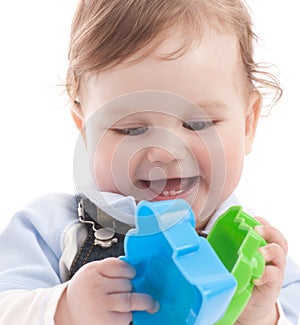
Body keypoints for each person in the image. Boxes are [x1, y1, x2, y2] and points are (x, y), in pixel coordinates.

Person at [0, 0, 299, 324]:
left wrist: (263, 315)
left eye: (197, 124)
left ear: (248, 123)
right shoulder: (50, 229)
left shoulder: (262, 262)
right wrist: (64, 309)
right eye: (131, 129)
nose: (165, 153)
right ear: (85, 131)